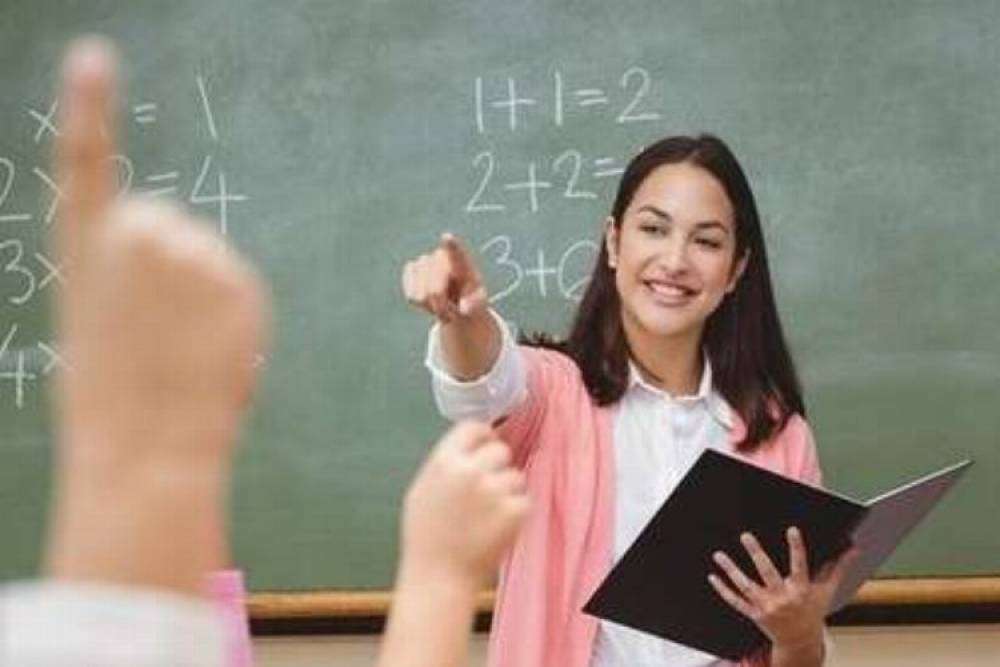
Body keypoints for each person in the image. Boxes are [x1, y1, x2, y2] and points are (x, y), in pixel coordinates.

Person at [2, 37, 529, 667]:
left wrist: (145, 472)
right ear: (609, 242)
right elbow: (492, 379)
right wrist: (438, 581)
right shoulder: (558, 379)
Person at [402, 135, 859, 667]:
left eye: (706, 241)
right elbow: (483, 382)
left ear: (736, 270)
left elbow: (797, 648)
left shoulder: (780, 437)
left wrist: (798, 637)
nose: (675, 260)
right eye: (654, 229)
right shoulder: (552, 393)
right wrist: (464, 319)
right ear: (615, 243)